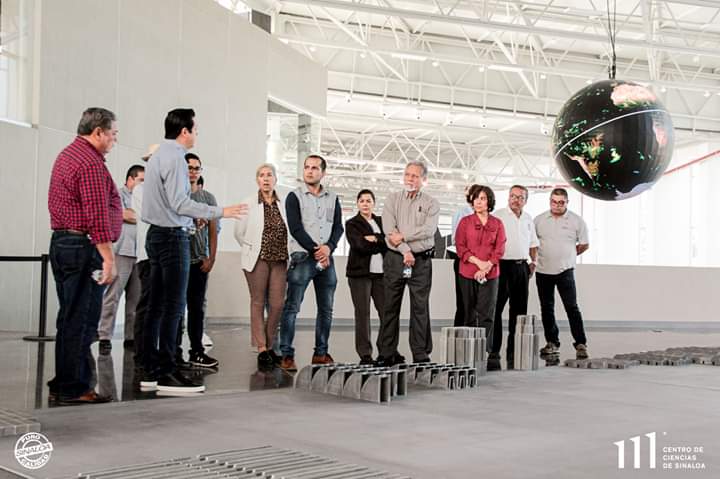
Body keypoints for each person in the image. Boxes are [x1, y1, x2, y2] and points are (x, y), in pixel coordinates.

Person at [141, 108, 247, 393]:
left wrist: (189, 218)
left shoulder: (156, 156)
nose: (197, 134)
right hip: (172, 238)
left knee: (156, 306)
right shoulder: (176, 157)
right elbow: (179, 203)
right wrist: (220, 211)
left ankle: (151, 369)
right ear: (184, 131)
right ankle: (167, 372)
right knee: (174, 306)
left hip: (156, 235)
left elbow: (165, 203)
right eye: (195, 129)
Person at [47, 107, 121, 405]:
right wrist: (109, 258)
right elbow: (96, 215)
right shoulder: (89, 162)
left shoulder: (68, 154)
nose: (115, 139)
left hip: (63, 243)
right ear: (98, 132)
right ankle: (75, 387)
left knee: (69, 316)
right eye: (113, 133)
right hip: (82, 247)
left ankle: (63, 382)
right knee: (83, 318)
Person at [278, 155, 344, 371]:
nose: (309, 171)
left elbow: (338, 227)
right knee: (292, 307)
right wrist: (317, 250)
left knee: (326, 309)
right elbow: (295, 228)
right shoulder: (294, 197)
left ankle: (320, 353)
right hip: (303, 257)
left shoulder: (333, 198)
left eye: (315, 168)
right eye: (307, 167)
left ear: (323, 173)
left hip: (326, 259)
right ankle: (286, 354)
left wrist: (329, 248)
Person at [376, 161, 439, 366]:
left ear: (424, 180)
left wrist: (403, 237)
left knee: (420, 308)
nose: (410, 179)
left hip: (421, 262)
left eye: (415, 176)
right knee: (389, 306)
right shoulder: (392, 200)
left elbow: (428, 230)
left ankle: (420, 353)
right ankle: (386, 352)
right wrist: (405, 250)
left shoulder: (431, 203)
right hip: (396, 259)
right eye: (407, 174)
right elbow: (389, 230)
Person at [234, 163, 288, 370]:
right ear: (257, 180)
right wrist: (252, 249)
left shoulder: (283, 203)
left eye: (269, 175)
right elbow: (239, 233)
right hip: (257, 259)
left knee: (277, 304)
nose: (266, 179)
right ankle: (262, 348)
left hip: (280, 259)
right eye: (262, 175)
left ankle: (269, 343)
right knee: (257, 302)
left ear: (275, 179)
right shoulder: (248, 202)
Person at [534, 188, 590, 360]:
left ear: (567, 202)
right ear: (550, 201)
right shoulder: (539, 220)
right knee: (547, 308)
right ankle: (552, 342)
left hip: (565, 271)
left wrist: (569, 255)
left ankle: (580, 343)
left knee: (572, 307)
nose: (557, 205)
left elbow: (584, 244)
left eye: (561, 202)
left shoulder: (576, 221)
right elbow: (532, 243)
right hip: (543, 271)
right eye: (554, 201)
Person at [455, 184, 506, 370]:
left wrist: (487, 266)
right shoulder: (465, 222)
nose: (478, 201)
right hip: (468, 272)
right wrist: (478, 263)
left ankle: (484, 351)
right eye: (475, 198)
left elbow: (499, 248)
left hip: (490, 273)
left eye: (482, 198)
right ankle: (467, 351)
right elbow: (460, 246)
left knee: (487, 314)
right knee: (469, 312)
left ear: (489, 201)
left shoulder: (497, 223)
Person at [97, 164, 145, 352]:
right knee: (113, 296)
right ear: (130, 179)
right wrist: (137, 215)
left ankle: (131, 337)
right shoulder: (117, 195)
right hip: (121, 252)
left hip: (138, 254)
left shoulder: (144, 197)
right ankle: (104, 336)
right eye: (141, 180)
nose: (143, 184)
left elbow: (139, 216)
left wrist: (136, 215)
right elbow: (122, 214)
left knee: (136, 299)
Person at [491, 185, 538, 366]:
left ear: (525, 200)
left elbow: (533, 244)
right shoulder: (498, 216)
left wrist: (534, 262)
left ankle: (513, 350)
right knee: (496, 310)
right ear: (508, 197)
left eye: (520, 197)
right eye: (513, 196)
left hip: (521, 267)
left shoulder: (528, 219)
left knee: (519, 312)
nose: (515, 200)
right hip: (502, 267)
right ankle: (494, 350)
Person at [345, 189, 387, 364]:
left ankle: (385, 350)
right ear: (357, 203)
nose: (365, 204)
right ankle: (365, 354)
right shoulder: (352, 223)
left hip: (381, 274)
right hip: (359, 274)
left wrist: (375, 238)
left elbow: (388, 242)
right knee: (363, 314)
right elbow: (359, 245)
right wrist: (379, 241)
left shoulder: (382, 221)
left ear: (374, 203)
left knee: (386, 312)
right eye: (361, 200)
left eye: (368, 201)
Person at [130, 144, 158, 382]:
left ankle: (157, 356)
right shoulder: (141, 190)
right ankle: (143, 358)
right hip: (149, 255)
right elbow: (154, 216)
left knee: (163, 308)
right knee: (148, 306)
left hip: (166, 256)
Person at [447, 187, 473, 327]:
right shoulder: (461, 213)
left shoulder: (488, 215)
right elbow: (456, 240)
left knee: (478, 303)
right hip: (464, 261)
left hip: (482, 264)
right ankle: (460, 333)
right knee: (463, 301)